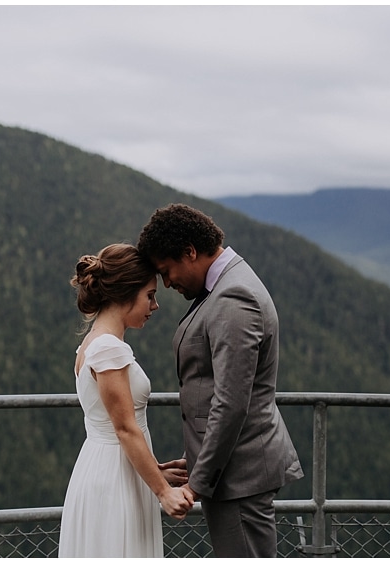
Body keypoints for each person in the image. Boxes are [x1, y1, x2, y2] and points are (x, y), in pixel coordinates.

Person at [139, 204, 302, 558]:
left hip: (240, 475)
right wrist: (195, 458)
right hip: (230, 470)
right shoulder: (221, 289)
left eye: (167, 271)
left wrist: (197, 484)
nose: (167, 284)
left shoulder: (234, 298)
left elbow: (230, 403)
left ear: (190, 252)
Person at [57, 243, 193, 557]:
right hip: (115, 479)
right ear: (124, 293)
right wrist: (163, 492)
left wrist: (155, 473)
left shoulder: (92, 344)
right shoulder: (109, 348)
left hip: (109, 469)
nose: (155, 305)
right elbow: (125, 429)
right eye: (149, 295)